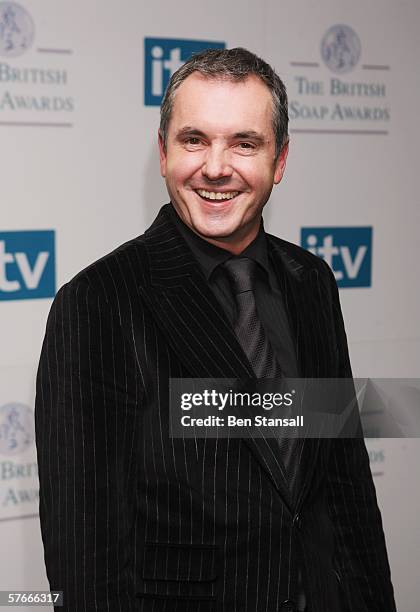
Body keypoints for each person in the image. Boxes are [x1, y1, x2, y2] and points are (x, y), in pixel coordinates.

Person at [35, 48, 396, 612]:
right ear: (163, 152)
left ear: (279, 161)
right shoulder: (97, 303)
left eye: (244, 143)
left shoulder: (312, 281)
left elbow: (345, 481)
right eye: (194, 139)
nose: (216, 167)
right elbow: (84, 549)